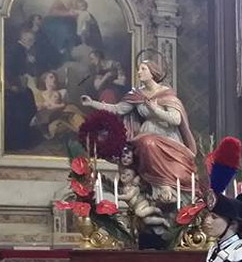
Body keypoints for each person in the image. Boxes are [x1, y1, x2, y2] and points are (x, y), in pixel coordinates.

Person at [81, 60, 196, 190]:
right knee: (146, 143)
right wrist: (92, 103)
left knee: (150, 144)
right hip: (146, 132)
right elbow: (117, 109)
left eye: (143, 69)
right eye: (138, 69)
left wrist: (155, 110)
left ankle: (165, 184)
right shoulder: (136, 95)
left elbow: (176, 119)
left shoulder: (165, 93)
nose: (139, 72)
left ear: (152, 73)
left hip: (167, 135)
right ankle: (156, 184)